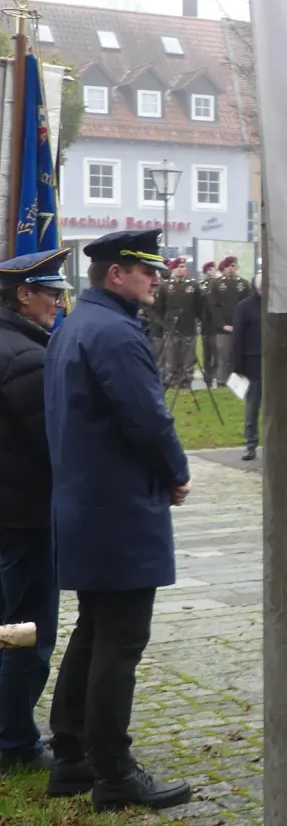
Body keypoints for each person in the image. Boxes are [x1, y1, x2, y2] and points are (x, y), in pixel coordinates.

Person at [43, 229, 192, 810]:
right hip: (120, 508)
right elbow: (147, 417)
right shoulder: (112, 330)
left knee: (94, 631)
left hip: (87, 505)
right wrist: (177, 471)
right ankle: (113, 773)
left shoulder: (78, 323)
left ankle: (72, 757)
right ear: (116, 274)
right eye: (146, 270)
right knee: (120, 642)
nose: (157, 278)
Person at [0, 250, 69, 772]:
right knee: (24, 633)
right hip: (23, 521)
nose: (59, 302)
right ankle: (16, 744)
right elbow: (53, 446)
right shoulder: (26, 357)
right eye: (51, 292)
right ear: (24, 294)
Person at [204, 256, 252, 389]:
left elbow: (248, 305)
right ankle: (221, 382)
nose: (231, 269)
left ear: (237, 268)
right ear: (224, 269)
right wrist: (222, 324)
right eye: (228, 267)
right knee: (223, 356)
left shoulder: (244, 284)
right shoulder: (216, 284)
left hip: (239, 327)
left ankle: (236, 384)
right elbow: (213, 307)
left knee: (237, 356)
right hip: (222, 328)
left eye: (233, 266)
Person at [154, 259, 201, 389]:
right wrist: (164, 323)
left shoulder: (193, 285)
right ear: (173, 269)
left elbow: (199, 306)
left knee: (188, 358)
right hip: (171, 328)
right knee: (171, 358)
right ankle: (171, 382)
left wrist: (196, 321)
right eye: (179, 267)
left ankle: (186, 382)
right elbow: (159, 308)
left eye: (183, 267)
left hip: (188, 327)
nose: (182, 269)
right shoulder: (165, 286)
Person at [233, 278, 263, 461]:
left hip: (276, 364)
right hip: (253, 365)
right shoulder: (245, 307)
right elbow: (237, 338)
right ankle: (250, 445)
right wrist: (237, 366)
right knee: (252, 408)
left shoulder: (276, 305)